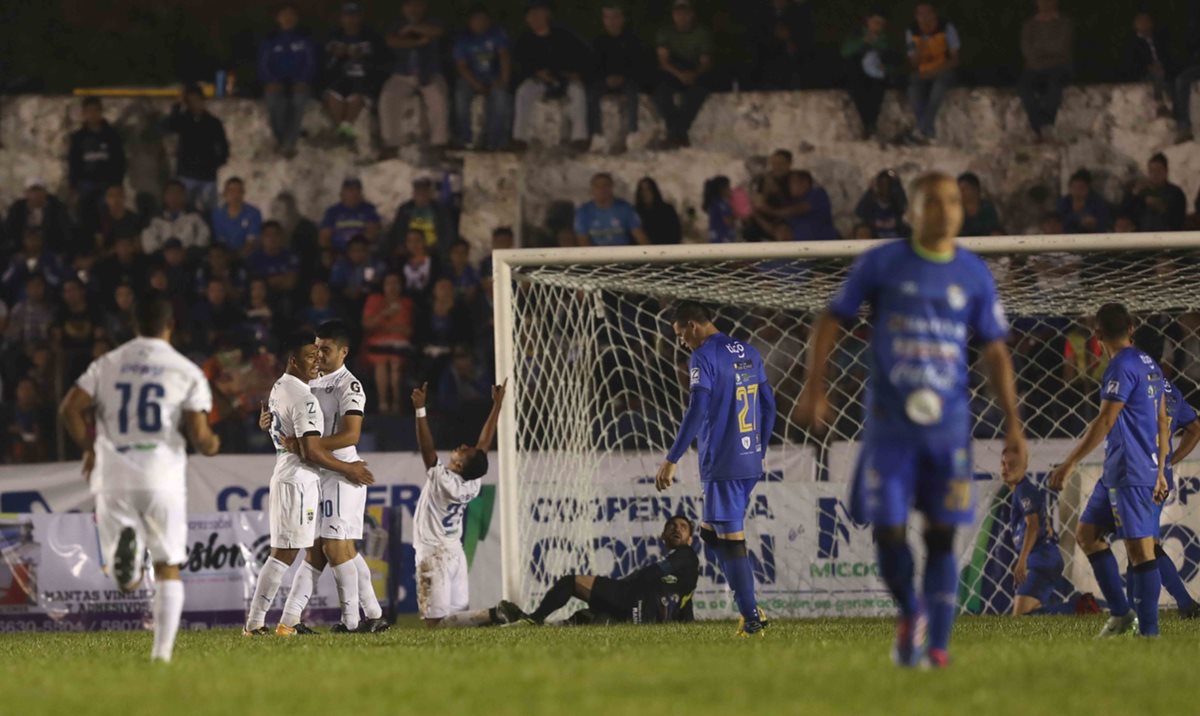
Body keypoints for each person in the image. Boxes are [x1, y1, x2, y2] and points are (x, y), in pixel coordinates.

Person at [794, 172, 1027, 667]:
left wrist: (1014, 424)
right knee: (889, 532)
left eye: (952, 201)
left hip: (948, 433)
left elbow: (995, 352)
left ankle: (937, 649)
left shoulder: (973, 273)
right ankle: (910, 611)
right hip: (890, 431)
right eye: (933, 202)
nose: (945, 210)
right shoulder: (882, 262)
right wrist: (816, 387)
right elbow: (832, 317)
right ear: (912, 212)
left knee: (942, 536)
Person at [58, 299, 221, 662]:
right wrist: (212, 443)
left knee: (125, 581)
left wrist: (90, 447)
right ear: (170, 326)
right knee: (167, 564)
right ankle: (160, 657)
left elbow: (69, 408)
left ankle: (128, 563)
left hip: (114, 473)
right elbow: (200, 436)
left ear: (133, 325)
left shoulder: (108, 363)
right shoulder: (185, 370)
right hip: (161, 473)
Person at [654, 301, 775, 637]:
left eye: (680, 335)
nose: (681, 342)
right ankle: (749, 607)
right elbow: (769, 405)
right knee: (709, 532)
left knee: (732, 540)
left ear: (693, 325)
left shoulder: (704, 356)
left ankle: (752, 617)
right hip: (749, 459)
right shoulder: (748, 350)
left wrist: (672, 457)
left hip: (723, 461)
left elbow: (697, 410)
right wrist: (758, 450)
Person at [1048, 303, 1169, 638]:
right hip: (1120, 469)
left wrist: (1070, 462)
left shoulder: (1119, 367)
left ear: (1097, 335)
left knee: (1140, 550)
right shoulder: (1151, 365)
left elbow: (1105, 420)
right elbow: (1163, 420)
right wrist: (1161, 469)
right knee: (1087, 534)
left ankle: (1149, 634)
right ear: (1132, 327)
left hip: (1132, 469)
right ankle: (1121, 613)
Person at [261, 320, 389, 634]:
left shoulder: (350, 385)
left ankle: (351, 621)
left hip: (342, 473)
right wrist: (270, 421)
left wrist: (310, 446)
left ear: (344, 352)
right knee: (321, 548)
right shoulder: (310, 380)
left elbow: (351, 434)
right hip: (317, 471)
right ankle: (364, 615)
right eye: (316, 348)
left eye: (326, 349)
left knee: (334, 546)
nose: (319, 355)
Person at [410, 378, 505, 627]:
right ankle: (492, 616)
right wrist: (497, 406)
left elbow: (427, 451)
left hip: (433, 554)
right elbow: (484, 444)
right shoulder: (473, 482)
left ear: (460, 465)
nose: (464, 446)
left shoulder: (444, 480)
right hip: (454, 552)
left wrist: (420, 410)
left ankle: (491, 615)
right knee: (454, 620)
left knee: (436, 623)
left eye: (465, 450)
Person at [497, 516, 699, 626]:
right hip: (636, 614)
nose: (676, 528)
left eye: (683, 526)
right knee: (589, 618)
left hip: (628, 597)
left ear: (690, 539)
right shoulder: (686, 573)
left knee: (571, 582)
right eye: (671, 525)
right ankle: (572, 622)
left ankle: (534, 619)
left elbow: (650, 574)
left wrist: (627, 584)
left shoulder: (687, 554)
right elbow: (685, 604)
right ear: (663, 535)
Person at [1126, 378, 1200, 619]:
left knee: (1141, 545)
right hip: (1161, 475)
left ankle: (1184, 604)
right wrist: (1170, 460)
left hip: (1139, 473)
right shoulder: (1172, 391)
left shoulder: (1133, 382)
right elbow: (1195, 428)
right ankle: (1135, 610)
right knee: (1141, 543)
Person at [511, 1, 591, 152]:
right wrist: (536, 73)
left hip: (564, 79)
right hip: (539, 81)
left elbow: (584, 58)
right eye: (531, 15)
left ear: (547, 14)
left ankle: (580, 138)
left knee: (578, 92)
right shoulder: (524, 40)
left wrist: (571, 74)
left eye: (538, 13)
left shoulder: (564, 36)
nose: (535, 18)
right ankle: (520, 138)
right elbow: (519, 66)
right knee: (523, 92)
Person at [380, 0, 450, 154]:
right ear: (403, 7)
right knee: (388, 96)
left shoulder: (433, 21)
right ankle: (391, 143)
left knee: (438, 96)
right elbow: (392, 41)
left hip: (429, 72)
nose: (413, 9)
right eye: (409, 5)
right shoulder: (396, 24)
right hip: (403, 73)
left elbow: (437, 31)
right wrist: (417, 42)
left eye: (417, 4)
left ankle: (439, 143)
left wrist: (412, 28)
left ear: (424, 6)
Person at [259, 4, 318, 157]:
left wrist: (302, 80)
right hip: (277, 83)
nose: (288, 18)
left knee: (298, 102)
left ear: (297, 18)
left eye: (291, 14)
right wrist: (271, 81)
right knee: (274, 102)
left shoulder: (305, 38)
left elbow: (311, 63)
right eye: (284, 14)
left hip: (299, 83)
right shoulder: (270, 39)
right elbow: (263, 64)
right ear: (278, 18)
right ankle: (282, 140)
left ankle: (289, 144)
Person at [1004, 467, 1064, 616]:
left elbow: (1033, 526)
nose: (1005, 468)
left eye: (1011, 464)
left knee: (1018, 619)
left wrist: (1022, 561)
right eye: (1002, 463)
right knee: (1027, 616)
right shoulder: (1019, 494)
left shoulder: (1023, 489)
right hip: (1043, 558)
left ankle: (1080, 609)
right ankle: (1078, 608)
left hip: (1041, 559)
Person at [452, 5, 513, 151]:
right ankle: (464, 138)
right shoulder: (463, 39)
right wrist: (475, 83)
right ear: (470, 21)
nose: (480, 23)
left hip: (494, 77)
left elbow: (504, 57)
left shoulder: (497, 34)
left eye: (483, 20)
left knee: (501, 98)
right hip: (471, 79)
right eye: (476, 20)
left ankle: (496, 141)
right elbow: (461, 66)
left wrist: (503, 80)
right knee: (461, 96)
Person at [162, 85, 229, 215]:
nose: (195, 104)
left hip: (207, 176)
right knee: (184, 211)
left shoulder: (213, 123)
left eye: (197, 100)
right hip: (186, 175)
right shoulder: (183, 120)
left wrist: (217, 163)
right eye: (191, 101)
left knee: (209, 212)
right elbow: (167, 126)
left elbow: (223, 146)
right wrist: (177, 105)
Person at [653, 0, 712, 149]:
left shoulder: (702, 33)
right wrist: (680, 75)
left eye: (685, 13)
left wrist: (694, 74)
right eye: (678, 13)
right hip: (672, 71)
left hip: (694, 70)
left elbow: (705, 62)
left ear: (692, 14)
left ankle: (677, 132)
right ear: (673, 15)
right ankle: (677, 134)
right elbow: (663, 61)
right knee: (661, 92)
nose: (682, 17)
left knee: (699, 92)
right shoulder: (665, 32)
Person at [323, 2, 384, 142]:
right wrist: (336, 55)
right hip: (339, 77)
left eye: (354, 16)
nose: (350, 20)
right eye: (347, 16)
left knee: (357, 96)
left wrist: (362, 57)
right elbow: (325, 64)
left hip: (362, 78)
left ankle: (346, 127)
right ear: (341, 18)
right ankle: (343, 129)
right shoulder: (333, 35)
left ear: (360, 17)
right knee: (334, 95)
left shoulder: (371, 36)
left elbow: (380, 61)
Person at [588, 5, 646, 152]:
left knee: (633, 93)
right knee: (592, 94)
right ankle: (597, 135)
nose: (611, 21)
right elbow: (592, 67)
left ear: (622, 19)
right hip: (605, 81)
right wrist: (606, 79)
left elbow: (639, 65)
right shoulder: (598, 41)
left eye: (615, 17)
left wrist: (623, 77)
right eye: (607, 17)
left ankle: (633, 135)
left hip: (626, 80)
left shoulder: (632, 40)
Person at [1017, 0, 1073, 142]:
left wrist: (1040, 50)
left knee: (1055, 85)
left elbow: (1060, 47)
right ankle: (1039, 126)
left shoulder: (1063, 23)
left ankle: (1046, 124)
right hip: (1034, 68)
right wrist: (1045, 52)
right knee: (1023, 88)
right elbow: (1027, 50)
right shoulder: (1029, 25)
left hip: (1058, 67)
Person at [904, 4, 959, 145]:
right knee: (912, 90)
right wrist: (921, 47)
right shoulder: (912, 31)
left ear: (934, 14)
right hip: (923, 72)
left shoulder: (947, 28)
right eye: (920, 15)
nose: (924, 18)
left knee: (938, 91)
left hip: (943, 70)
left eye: (927, 14)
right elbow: (913, 63)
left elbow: (955, 60)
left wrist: (934, 72)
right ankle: (927, 132)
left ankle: (920, 130)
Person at [67, 97, 126, 226]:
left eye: (95, 111)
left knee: (106, 215)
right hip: (85, 183)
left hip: (107, 183)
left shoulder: (112, 135)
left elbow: (119, 161)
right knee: (83, 213)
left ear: (100, 112)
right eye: (89, 111)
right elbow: (73, 162)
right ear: (84, 113)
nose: (92, 114)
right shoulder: (78, 137)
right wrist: (73, 186)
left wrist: (117, 183)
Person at [362, 272, 415, 413]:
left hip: (399, 345)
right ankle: (383, 404)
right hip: (377, 344)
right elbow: (368, 325)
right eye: (389, 283)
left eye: (396, 283)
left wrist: (387, 326)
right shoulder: (374, 300)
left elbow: (407, 330)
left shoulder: (406, 303)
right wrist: (384, 314)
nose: (392, 287)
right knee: (381, 363)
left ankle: (397, 403)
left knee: (395, 364)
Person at [842, 10, 894, 140]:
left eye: (881, 24)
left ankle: (871, 125)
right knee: (858, 90)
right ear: (868, 22)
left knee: (876, 92)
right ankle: (867, 124)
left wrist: (886, 66)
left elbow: (894, 60)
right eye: (876, 22)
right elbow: (845, 52)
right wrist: (864, 41)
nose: (878, 26)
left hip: (878, 76)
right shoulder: (857, 35)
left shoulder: (886, 39)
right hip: (859, 74)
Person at [750, 0, 813, 91]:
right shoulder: (761, 12)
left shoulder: (797, 12)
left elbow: (805, 44)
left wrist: (790, 40)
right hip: (766, 73)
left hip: (793, 73)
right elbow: (756, 41)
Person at [387, 177, 454, 262]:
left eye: (424, 192)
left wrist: (437, 250)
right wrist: (401, 246)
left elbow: (448, 234)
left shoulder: (440, 211)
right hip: (408, 251)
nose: (421, 196)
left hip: (434, 252)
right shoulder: (405, 209)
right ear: (414, 194)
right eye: (418, 192)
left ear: (430, 193)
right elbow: (396, 231)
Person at [574, 173, 650, 247]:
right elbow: (583, 241)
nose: (601, 189)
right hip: (597, 256)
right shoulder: (583, 211)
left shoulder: (625, 208)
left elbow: (640, 236)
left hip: (622, 255)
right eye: (597, 186)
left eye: (605, 185)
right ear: (592, 189)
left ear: (611, 187)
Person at [4, 178, 72, 257]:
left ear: (45, 192)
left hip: (50, 248)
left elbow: (65, 231)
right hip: (22, 249)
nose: (35, 194)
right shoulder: (17, 208)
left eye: (39, 190)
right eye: (32, 191)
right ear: (26, 193)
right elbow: (9, 231)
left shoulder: (57, 208)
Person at [141, 180, 211, 255]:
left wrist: (189, 252)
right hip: (162, 261)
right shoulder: (155, 219)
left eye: (178, 193)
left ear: (184, 196)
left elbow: (204, 235)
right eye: (171, 193)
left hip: (189, 258)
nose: (174, 196)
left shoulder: (195, 216)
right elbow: (149, 242)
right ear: (165, 196)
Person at [1124, 11, 1173, 119]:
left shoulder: (1156, 40)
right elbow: (1132, 63)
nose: (1147, 25)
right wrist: (1149, 67)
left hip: (1160, 70)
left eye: (1148, 22)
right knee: (1157, 75)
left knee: (1168, 74)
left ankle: (1173, 101)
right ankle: (1160, 105)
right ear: (1137, 26)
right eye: (1143, 23)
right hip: (1144, 73)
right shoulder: (1133, 43)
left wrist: (1162, 65)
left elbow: (1166, 56)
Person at [1123, 153, 1186, 232]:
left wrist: (1158, 206)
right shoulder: (1143, 192)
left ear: (1166, 171)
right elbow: (1126, 213)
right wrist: (1135, 193)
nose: (1154, 175)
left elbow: (1176, 220)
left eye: (1158, 171)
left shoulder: (1175, 193)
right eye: (1151, 171)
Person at [318, 177, 382, 251]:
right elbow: (324, 236)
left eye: (357, 190)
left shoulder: (369, 209)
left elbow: (372, 233)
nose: (354, 193)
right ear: (342, 193)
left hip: (361, 252)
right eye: (350, 190)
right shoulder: (332, 212)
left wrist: (355, 250)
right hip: (338, 253)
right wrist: (329, 251)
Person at [776, 171, 838, 242]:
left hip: (824, 245)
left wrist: (770, 210)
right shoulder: (793, 202)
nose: (790, 186)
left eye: (792, 182)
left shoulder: (817, 193)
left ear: (805, 182)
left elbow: (799, 209)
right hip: (801, 249)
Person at [211, 177, 263, 256]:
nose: (235, 195)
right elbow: (220, 242)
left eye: (238, 191)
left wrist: (236, 257)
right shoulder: (217, 214)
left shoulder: (253, 213)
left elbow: (252, 243)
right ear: (225, 193)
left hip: (247, 257)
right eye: (231, 191)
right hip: (225, 258)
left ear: (243, 193)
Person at [855, 170, 909, 239]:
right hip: (875, 241)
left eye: (888, 184)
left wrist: (898, 185)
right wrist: (870, 190)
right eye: (882, 184)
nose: (885, 188)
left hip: (895, 241)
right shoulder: (871, 204)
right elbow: (859, 212)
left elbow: (904, 206)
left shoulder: (897, 205)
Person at [1057, 169, 1112, 234]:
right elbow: (1060, 221)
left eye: (1081, 188)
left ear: (1088, 188)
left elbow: (1104, 223)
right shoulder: (1064, 202)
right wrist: (1078, 219)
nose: (1077, 191)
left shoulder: (1098, 203)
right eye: (1074, 187)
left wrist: (1093, 224)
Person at [634, 177, 681, 245]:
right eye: (642, 190)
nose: (645, 193)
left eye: (648, 189)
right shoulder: (635, 213)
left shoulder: (667, 211)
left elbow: (676, 234)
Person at [702, 176, 737, 243]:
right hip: (721, 239)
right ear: (722, 189)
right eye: (728, 187)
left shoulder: (722, 203)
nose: (730, 189)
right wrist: (738, 213)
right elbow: (728, 221)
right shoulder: (720, 204)